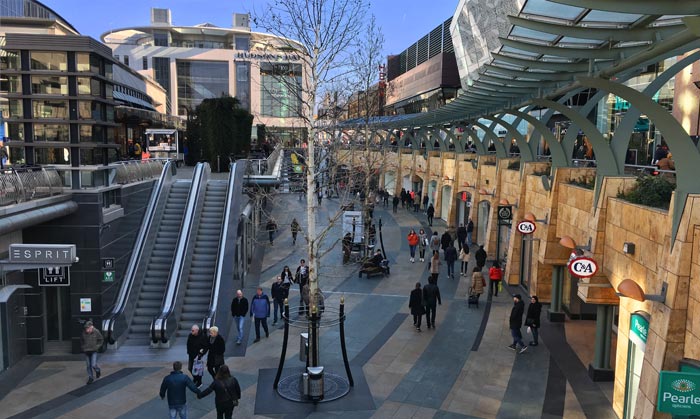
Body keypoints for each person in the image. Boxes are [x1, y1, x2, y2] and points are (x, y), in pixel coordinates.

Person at [81, 321, 103, 385]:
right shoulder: (84, 333)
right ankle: (90, 377)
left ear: (91, 327)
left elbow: (101, 339)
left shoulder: (96, 331)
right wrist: (83, 347)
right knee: (88, 365)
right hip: (86, 351)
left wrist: (97, 346)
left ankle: (98, 371)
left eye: (88, 328)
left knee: (93, 364)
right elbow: (81, 340)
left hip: (94, 351)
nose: (86, 330)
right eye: (86, 328)